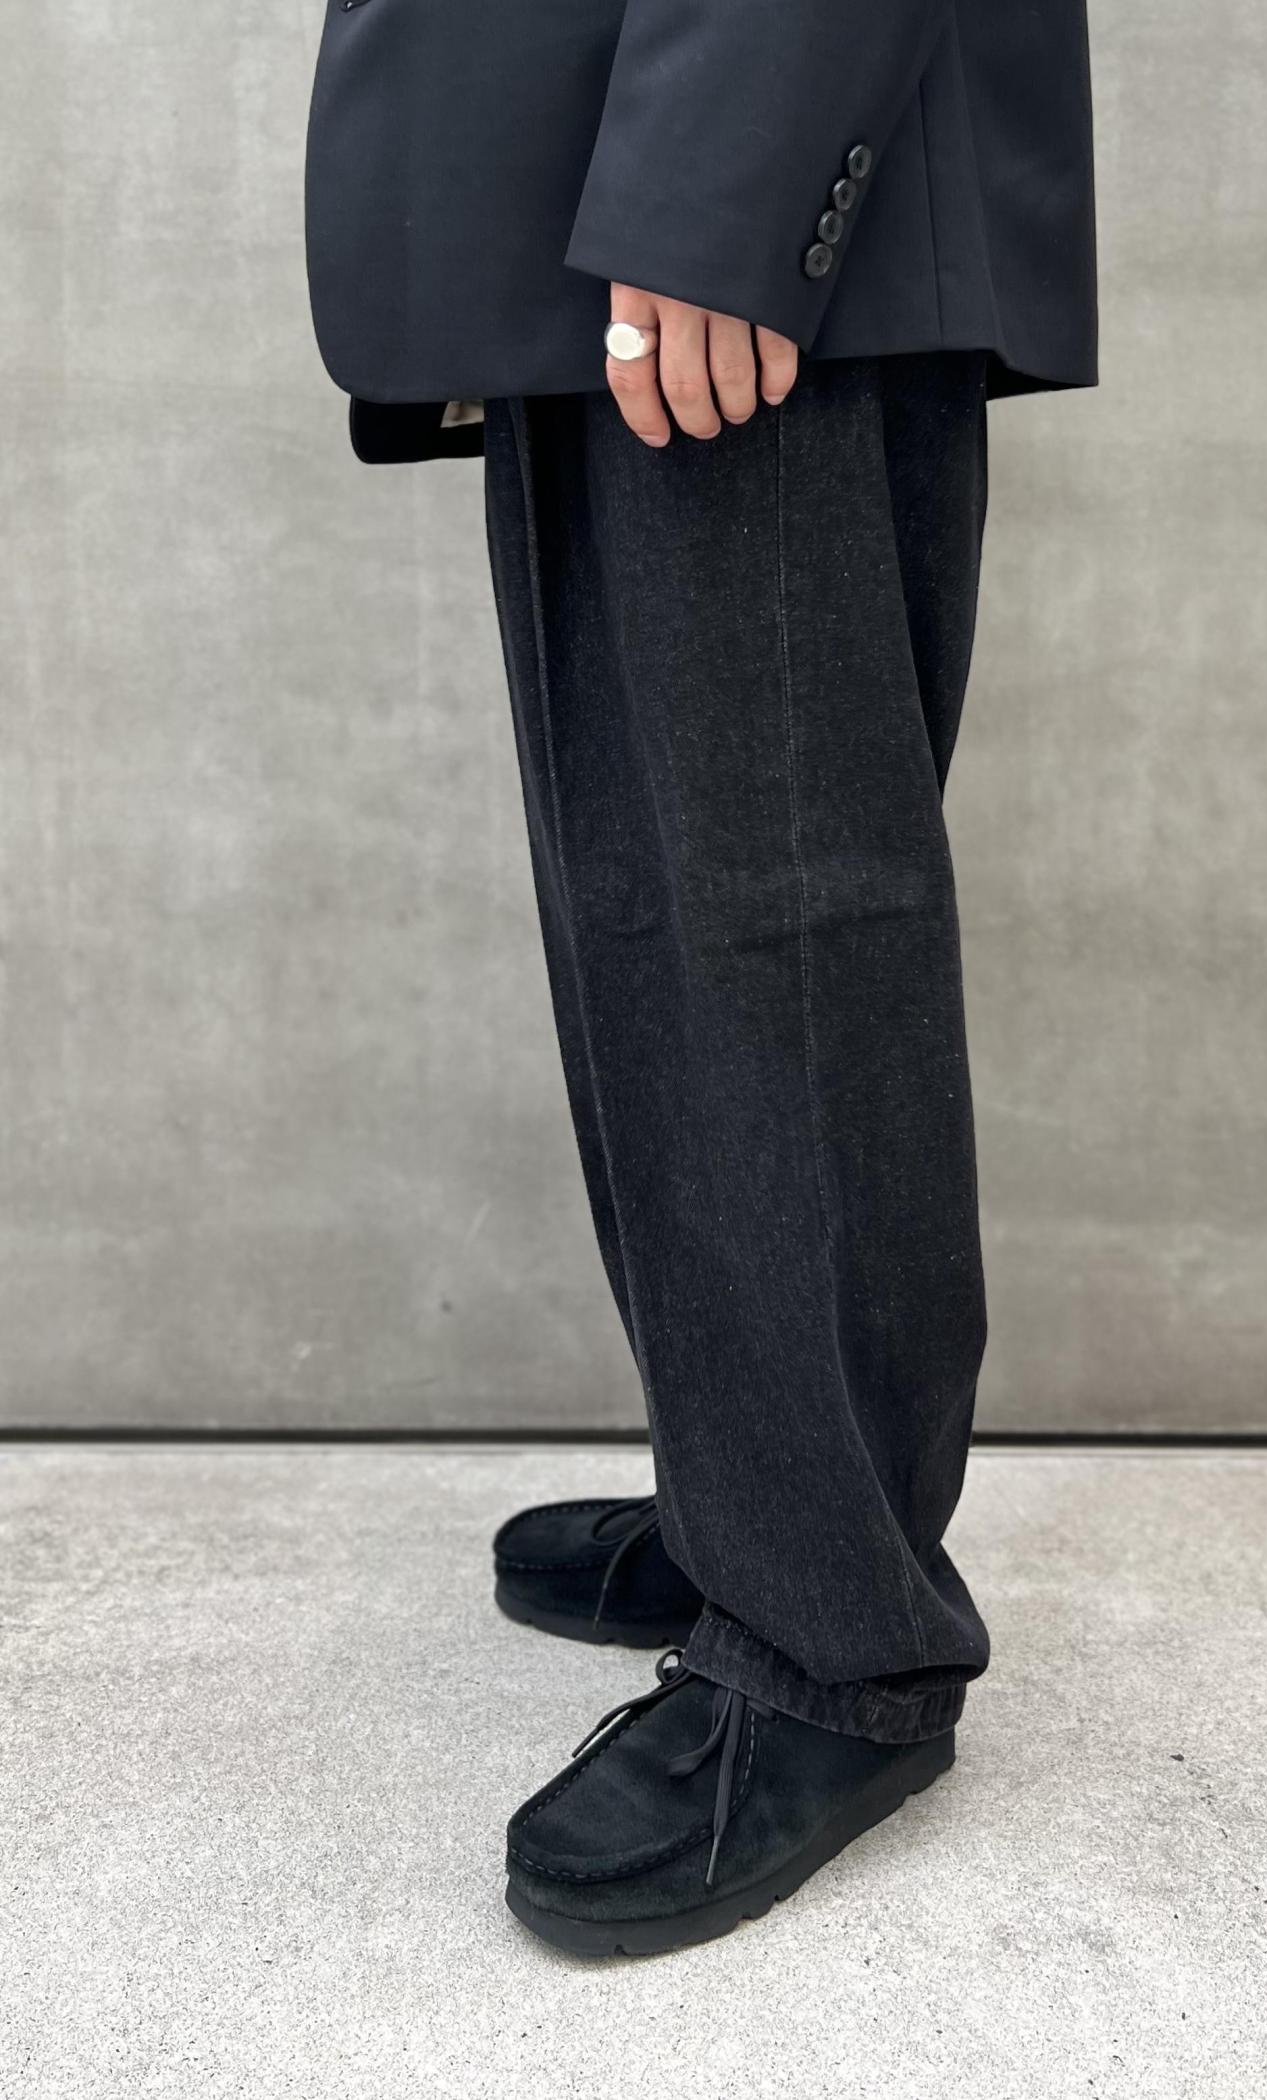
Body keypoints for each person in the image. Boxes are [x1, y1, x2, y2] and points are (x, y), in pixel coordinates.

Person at [305, 0, 1097, 1957]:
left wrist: (723, 179)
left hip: (710, 190)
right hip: (604, 176)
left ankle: (838, 1641)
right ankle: (772, 1495)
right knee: (663, 903)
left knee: (779, 919)